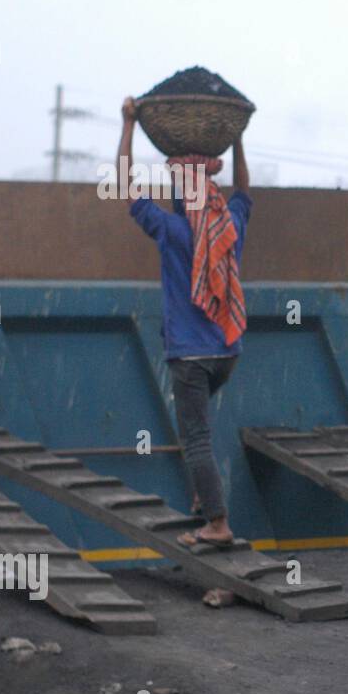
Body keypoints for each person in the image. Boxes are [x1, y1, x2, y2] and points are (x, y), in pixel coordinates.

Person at [117, 97, 251, 554]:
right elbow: (244, 193)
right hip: (225, 354)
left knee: (195, 437)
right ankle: (205, 492)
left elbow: (124, 185)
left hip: (190, 357)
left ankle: (217, 523)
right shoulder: (227, 226)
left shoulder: (172, 231)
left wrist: (129, 124)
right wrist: (237, 140)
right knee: (200, 431)